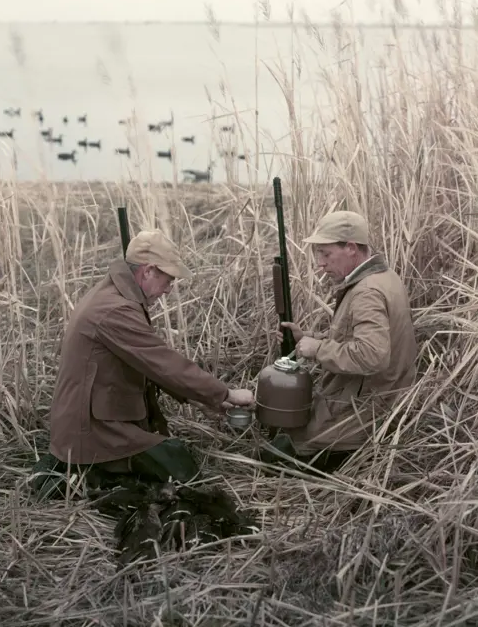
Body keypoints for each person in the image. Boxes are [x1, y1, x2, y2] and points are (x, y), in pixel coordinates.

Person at [31, 229, 254, 497]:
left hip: (96, 420)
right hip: (92, 429)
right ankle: (86, 479)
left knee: (173, 462)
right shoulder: (116, 310)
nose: (169, 289)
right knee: (181, 468)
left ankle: (86, 469)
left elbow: (143, 363)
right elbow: (163, 362)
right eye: (168, 279)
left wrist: (199, 398)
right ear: (148, 271)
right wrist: (225, 393)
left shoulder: (114, 295)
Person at [262, 210, 417, 473]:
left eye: (326, 254)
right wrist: (307, 339)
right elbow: (355, 338)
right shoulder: (383, 278)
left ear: (351, 248)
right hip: (379, 400)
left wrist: (318, 349)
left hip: (364, 412)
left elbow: (373, 355)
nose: (320, 264)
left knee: (271, 458)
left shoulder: (366, 292)